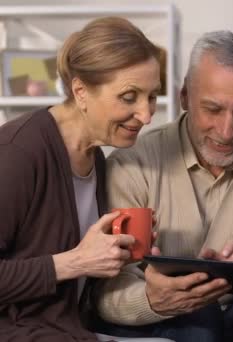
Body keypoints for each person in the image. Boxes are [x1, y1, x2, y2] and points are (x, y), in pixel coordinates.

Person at [92, 30, 233, 342]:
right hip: (168, 317)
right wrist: (152, 300)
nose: (227, 131)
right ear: (184, 96)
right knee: (202, 321)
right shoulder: (132, 164)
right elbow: (108, 289)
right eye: (213, 109)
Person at [0, 17, 166, 341]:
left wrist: (122, 253)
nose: (146, 115)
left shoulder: (96, 158)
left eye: (152, 97)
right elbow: (75, 262)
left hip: (71, 331)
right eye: (130, 97)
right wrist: (76, 262)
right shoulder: (18, 152)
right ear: (80, 91)